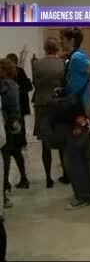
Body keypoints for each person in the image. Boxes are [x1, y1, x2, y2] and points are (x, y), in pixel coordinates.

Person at [60, 27, 90, 210]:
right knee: (82, 156)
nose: (61, 41)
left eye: (63, 38)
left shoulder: (77, 57)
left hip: (78, 114)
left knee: (74, 157)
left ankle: (83, 195)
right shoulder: (75, 57)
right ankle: (88, 193)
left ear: (71, 40)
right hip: (79, 113)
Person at [32, 37, 69, 188]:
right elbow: (65, 83)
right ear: (57, 48)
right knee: (62, 140)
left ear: (45, 48)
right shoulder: (63, 64)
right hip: (59, 103)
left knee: (45, 144)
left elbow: (36, 83)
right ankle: (66, 173)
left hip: (42, 104)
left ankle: (48, 178)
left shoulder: (37, 64)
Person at [0, 59, 29, 191]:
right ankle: (23, 178)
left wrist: (11, 121)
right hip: (14, 122)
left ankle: (5, 183)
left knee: (6, 155)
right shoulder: (13, 84)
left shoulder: (6, 85)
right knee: (16, 152)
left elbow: (8, 106)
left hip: (8, 123)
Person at [6, 53, 33, 148]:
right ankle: (15, 142)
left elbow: (27, 86)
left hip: (20, 102)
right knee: (13, 122)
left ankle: (21, 142)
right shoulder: (7, 73)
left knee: (20, 122)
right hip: (13, 102)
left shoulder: (20, 71)